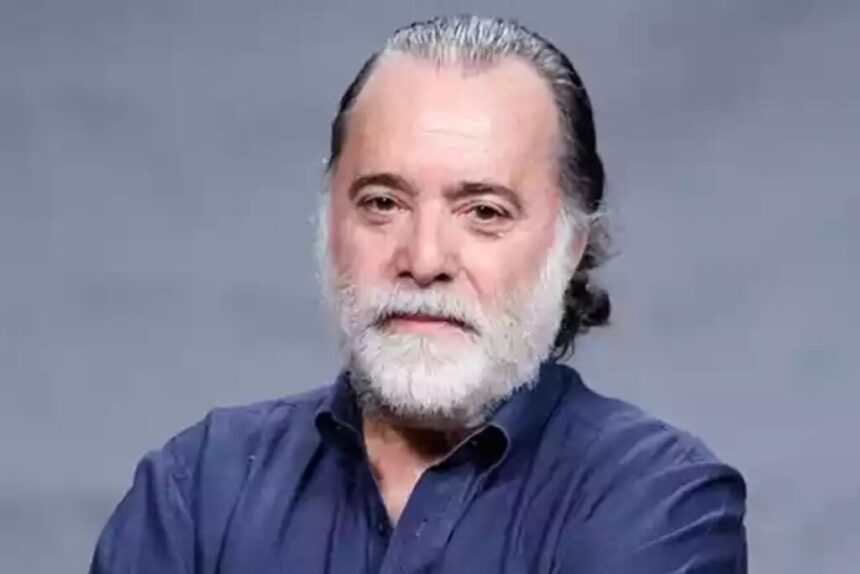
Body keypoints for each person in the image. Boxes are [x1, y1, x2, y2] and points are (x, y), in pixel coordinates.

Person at [90, 15, 747, 573]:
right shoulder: (200, 490)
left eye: (484, 211)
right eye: (383, 202)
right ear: (328, 222)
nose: (424, 260)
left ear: (571, 244)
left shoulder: (658, 504)